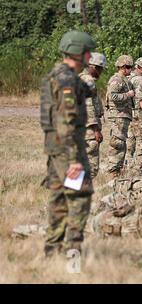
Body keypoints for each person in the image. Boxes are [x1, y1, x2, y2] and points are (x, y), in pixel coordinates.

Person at [39, 30, 96, 257]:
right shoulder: (67, 80)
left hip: (55, 149)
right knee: (79, 196)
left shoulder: (57, 75)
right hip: (67, 149)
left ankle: (52, 251)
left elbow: (86, 92)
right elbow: (66, 120)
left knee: (59, 197)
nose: (90, 58)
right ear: (77, 52)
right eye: (87, 53)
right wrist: (74, 160)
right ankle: (72, 251)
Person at [105, 55, 135, 178]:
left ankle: (117, 170)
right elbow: (113, 97)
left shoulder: (125, 80)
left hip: (123, 116)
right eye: (128, 67)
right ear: (122, 67)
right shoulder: (117, 80)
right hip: (118, 116)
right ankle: (113, 171)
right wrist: (128, 95)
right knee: (117, 143)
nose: (130, 69)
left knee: (121, 143)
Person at [79, 52, 107, 178]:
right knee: (90, 166)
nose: (101, 73)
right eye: (101, 69)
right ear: (94, 67)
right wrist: (96, 129)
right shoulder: (88, 81)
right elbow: (88, 105)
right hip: (88, 130)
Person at [126, 57, 142, 164]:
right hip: (138, 114)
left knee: (130, 142)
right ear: (141, 68)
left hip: (129, 114)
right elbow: (141, 98)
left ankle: (127, 165)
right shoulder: (140, 80)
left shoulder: (128, 77)